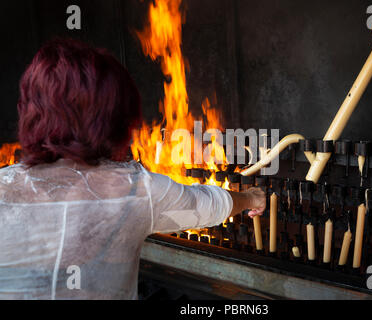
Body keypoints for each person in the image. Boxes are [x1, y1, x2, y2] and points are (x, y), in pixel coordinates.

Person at [0, 39, 266, 299]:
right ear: (111, 119)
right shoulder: (135, 191)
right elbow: (210, 205)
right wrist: (252, 198)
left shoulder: (4, 182)